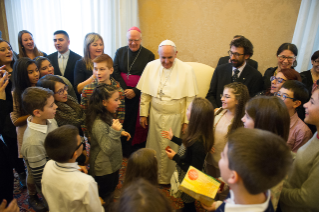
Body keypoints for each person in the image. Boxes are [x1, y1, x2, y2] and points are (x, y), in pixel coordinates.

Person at [137, 40, 198, 184]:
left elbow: (190, 99)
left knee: (173, 148)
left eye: (169, 57)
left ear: (176, 54)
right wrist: (143, 113)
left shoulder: (186, 70)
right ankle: (155, 176)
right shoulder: (151, 66)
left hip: (176, 118)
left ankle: (171, 178)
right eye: (163, 57)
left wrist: (186, 122)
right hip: (155, 116)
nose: (166, 61)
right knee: (155, 147)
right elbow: (145, 93)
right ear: (158, 54)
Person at [202, 128, 292, 212]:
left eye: (224, 156)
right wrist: (217, 205)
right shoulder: (260, 189)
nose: (221, 154)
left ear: (233, 177)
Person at [162, 97, 214, 211]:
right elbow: (187, 144)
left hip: (189, 176)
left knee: (188, 198)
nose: (186, 110)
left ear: (196, 117)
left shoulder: (198, 143)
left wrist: (175, 157)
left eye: (189, 109)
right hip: (185, 169)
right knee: (186, 198)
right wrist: (173, 138)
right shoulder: (197, 132)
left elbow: (194, 172)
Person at [241, 96, 291, 209]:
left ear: (263, 124)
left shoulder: (273, 164)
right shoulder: (253, 147)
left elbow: (264, 206)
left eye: (247, 117)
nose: (242, 119)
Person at [112, 26, 155, 157]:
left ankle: (133, 149)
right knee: (122, 120)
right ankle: (122, 148)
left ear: (141, 39)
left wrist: (135, 91)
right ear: (127, 40)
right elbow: (115, 71)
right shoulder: (120, 52)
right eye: (130, 40)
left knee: (136, 123)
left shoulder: (149, 55)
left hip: (140, 94)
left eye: (136, 40)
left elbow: (149, 76)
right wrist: (125, 89)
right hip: (121, 93)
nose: (133, 43)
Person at [86, 84, 130, 206]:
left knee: (112, 187)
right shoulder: (98, 123)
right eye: (116, 100)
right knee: (105, 194)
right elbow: (107, 148)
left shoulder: (106, 115)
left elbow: (110, 129)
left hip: (111, 164)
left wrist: (120, 132)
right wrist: (116, 132)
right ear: (104, 102)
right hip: (104, 168)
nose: (119, 103)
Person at [42, 125, 104, 212]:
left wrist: (76, 167)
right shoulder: (86, 182)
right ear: (75, 154)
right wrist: (96, 200)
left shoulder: (48, 165)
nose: (83, 142)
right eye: (81, 141)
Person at [279, 81, 319, 212]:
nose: (305, 105)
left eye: (312, 102)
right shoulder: (317, 135)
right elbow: (302, 160)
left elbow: (307, 199)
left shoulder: (304, 131)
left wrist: (274, 189)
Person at [205, 82, 249, 201]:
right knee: (210, 189)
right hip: (210, 160)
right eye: (222, 95)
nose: (222, 99)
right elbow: (208, 131)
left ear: (238, 101)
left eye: (227, 97)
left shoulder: (242, 121)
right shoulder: (218, 112)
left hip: (226, 166)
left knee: (223, 193)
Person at [10, 58, 43, 210]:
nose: (36, 74)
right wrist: (34, 112)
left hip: (42, 131)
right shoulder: (17, 93)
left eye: (36, 70)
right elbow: (16, 120)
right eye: (31, 72)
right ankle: (32, 196)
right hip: (27, 134)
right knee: (31, 170)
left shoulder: (40, 86)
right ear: (22, 75)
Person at [21, 87, 58, 211]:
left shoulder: (50, 119)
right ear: (37, 112)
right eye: (52, 105)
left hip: (54, 166)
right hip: (46, 178)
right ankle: (33, 197)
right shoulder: (33, 142)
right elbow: (41, 177)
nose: (56, 107)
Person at [36, 75, 88, 165]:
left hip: (78, 143)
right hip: (68, 155)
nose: (65, 93)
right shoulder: (52, 115)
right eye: (60, 91)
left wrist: (82, 147)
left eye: (65, 88)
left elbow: (77, 126)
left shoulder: (69, 101)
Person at [206, 36, 263, 108]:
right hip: (219, 113)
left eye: (237, 54)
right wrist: (216, 110)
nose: (232, 57)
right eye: (231, 53)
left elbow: (253, 103)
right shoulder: (219, 70)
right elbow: (210, 95)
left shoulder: (256, 76)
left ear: (247, 56)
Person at [0, 40, 26, 187]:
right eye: (3, 49)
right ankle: (21, 172)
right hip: (5, 114)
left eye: (9, 48)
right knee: (13, 146)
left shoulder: (19, 68)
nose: (8, 51)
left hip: (22, 110)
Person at [81, 54, 125, 123]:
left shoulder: (119, 91)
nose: (98, 73)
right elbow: (84, 113)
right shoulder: (87, 90)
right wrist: (86, 132)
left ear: (111, 70)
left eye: (102, 69)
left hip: (112, 129)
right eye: (95, 69)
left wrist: (115, 131)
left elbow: (120, 115)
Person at [276, 81, 312, 153]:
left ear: (296, 103)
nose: (278, 98)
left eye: (284, 96)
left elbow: (296, 160)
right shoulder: (268, 115)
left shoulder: (302, 131)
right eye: (278, 94)